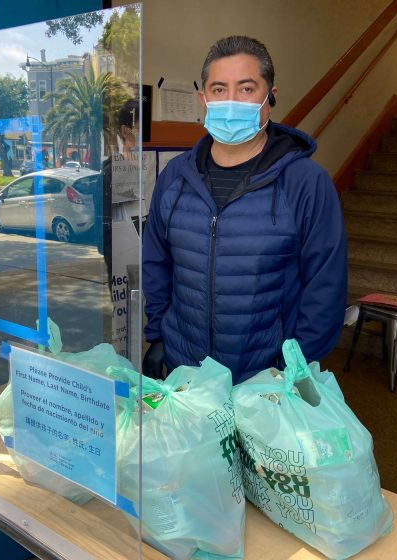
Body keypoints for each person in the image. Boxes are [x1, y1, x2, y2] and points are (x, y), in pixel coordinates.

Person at [142, 35, 347, 384]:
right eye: (219, 90)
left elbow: (325, 287)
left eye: (246, 88)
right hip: (186, 372)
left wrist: (294, 370)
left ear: (271, 98)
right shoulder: (176, 177)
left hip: (266, 380)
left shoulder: (305, 183)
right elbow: (157, 262)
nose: (231, 101)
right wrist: (159, 333)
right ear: (203, 99)